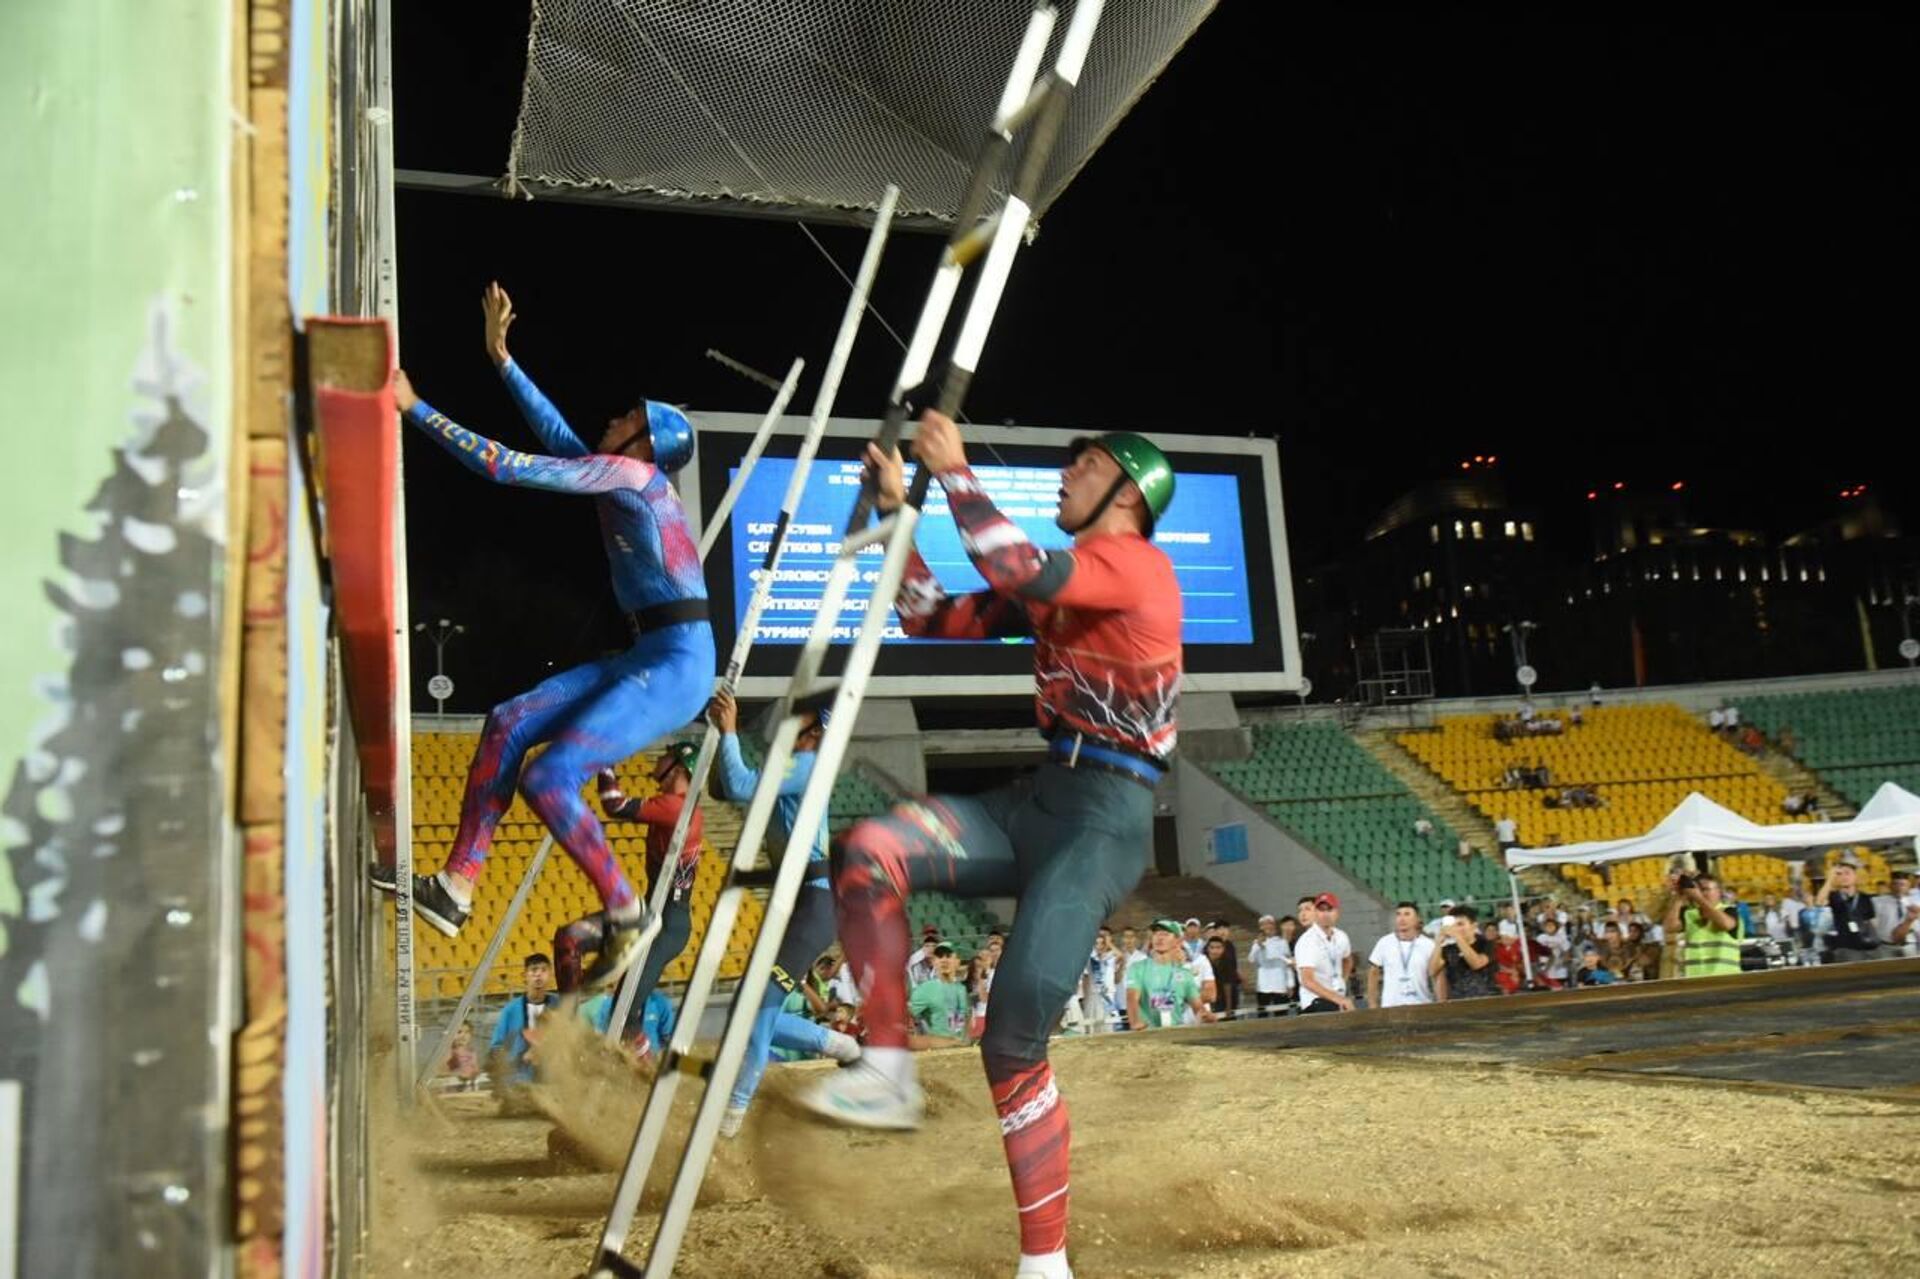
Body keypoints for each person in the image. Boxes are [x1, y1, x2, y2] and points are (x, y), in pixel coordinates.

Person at [802, 410, 1181, 1279]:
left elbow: (1013, 561)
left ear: (1126, 491)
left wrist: (957, 471)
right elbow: (929, 616)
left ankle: (1044, 1266)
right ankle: (886, 1063)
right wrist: (897, 512)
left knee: (1012, 1037)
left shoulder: (1137, 564)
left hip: (1104, 816)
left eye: (1081, 466)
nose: (1061, 477)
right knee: (867, 848)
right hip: (1042, 796)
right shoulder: (1070, 580)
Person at [385, 284, 711, 991]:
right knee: (507, 722)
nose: (615, 415)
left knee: (548, 774)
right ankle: (456, 886)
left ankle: (626, 908)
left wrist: (416, 409)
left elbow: (506, 465)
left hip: (678, 665)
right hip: (650, 652)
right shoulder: (622, 473)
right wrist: (503, 361)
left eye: (630, 415)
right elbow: (560, 440)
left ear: (646, 441)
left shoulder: (632, 475)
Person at [707, 689, 862, 1136]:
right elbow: (728, 787)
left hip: (813, 903)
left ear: (816, 733)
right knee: (749, 1010)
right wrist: (721, 737)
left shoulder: (808, 765)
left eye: (801, 722)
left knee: (755, 1009)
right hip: (799, 903)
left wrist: (731, 729)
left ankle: (731, 1119)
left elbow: (737, 785)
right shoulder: (796, 766)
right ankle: (840, 1046)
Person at [549, 743, 705, 1006]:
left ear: (678, 768)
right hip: (648, 914)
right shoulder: (674, 806)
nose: (659, 758)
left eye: (666, 755)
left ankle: (631, 1041)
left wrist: (606, 761)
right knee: (569, 939)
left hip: (666, 924)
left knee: (625, 1009)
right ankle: (569, 1022)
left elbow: (615, 805)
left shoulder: (678, 808)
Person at [1124, 920, 1216, 1030]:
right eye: (1156, 934)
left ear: (1177, 941)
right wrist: (1135, 1021)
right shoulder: (1137, 968)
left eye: (1166, 934)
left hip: (1174, 1035)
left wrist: (1206, 1015)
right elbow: (1132, 997)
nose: (1160, 938)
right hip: (1146, 1034)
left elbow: (1197, 1006)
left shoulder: (1184, 974)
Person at [488, 953, 557, 1084]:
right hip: (519, 1082)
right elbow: (496, 1049)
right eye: (534, 970)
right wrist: (520, 1058)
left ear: (550, 975)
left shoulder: (559, 1006)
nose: (538, 974)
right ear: (524, 976)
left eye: (543, 970)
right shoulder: (510, 1010)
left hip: (552, 1081)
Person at [1366, 904, 1439, 1008]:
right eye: (1398, 914)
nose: (1402, 918)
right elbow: (1373, 973)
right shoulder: (1385, 942)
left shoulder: (1429, 944)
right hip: (1391, 1006)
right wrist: (1372, 1003)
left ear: (1417, 919)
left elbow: (1437, 975)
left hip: (1422, 1004)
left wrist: (1440, 1002)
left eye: (1407, 914)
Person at [1294, 893, 1354, 1013]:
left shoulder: (1341, 936)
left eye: (1329, 910)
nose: (1325, 914)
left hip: (1335, 999)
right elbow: (1307, 980)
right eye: (1321, 910)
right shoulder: (1307, 941)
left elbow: (1348, 960)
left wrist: (1341, 982)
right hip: (1315, 1001)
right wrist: (1338, 998)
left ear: (1337, 913)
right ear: (1316, 913)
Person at [1247, 914, 1294, 1016]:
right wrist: (1259, 945)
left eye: (1269, 923)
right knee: (1263, 1014)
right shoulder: (1256, 943)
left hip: (1280, 983)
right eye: (1263, 924)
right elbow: (1251, 959)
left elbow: (1288, 964)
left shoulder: (1282, 942)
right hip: (1263, 985)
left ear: (1274, 926)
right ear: (1260, 927)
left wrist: (1290, 984)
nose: (1267, 927)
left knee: (1281, 1014)